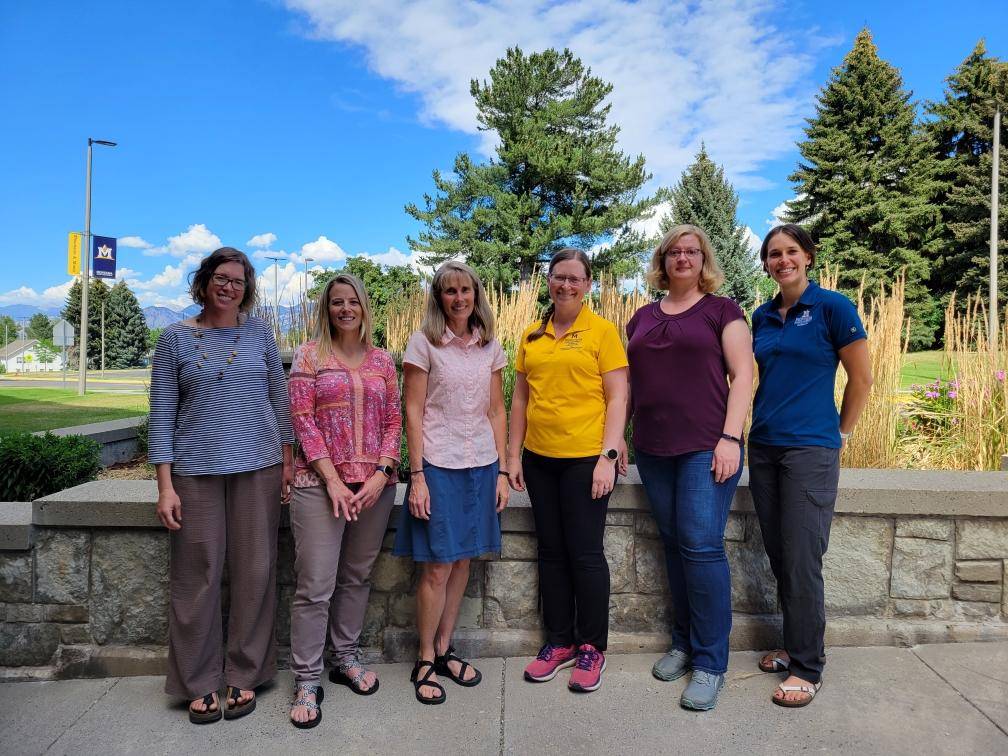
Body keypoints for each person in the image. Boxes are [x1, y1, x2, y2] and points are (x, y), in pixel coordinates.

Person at [150, 246, 294, 724]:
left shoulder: (260, 335)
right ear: (204, 281)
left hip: (259, 467)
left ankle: (245, 674)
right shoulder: (173, 340)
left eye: (238, 280)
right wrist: (165, 487)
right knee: (197, 576)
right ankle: (198, 681)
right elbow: (162, 417)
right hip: (194, 473)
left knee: (255, 571)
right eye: (221, 277)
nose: (229, 286)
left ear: (246, 289)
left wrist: (288, 459)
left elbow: (278, 396)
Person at [625, 225, 754, 711]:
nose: (683, 258)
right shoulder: (640, 317)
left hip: (706, 446)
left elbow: (744, 375)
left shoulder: (722, 311)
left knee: (701, 547)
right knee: (676, 548)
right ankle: (682, 642)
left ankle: (710, 662)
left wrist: (729, 437)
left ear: (703, 260)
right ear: (663, 259)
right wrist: (618, 439)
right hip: (654, 450)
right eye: (674, 251)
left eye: (691, 251)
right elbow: (630, 385)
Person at [749, 224, 872, 708]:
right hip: (764, 448)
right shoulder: (761, 316)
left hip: (810, 452)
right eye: (774, 254)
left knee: (802, 557)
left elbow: (861, 378)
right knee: (781, 555)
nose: (783, 260)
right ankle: (794, 643)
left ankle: (808, 667)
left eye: (791, 251)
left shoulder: (833, 308)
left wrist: (840, 433)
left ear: (808, 257)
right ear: (766, 264)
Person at [509, 248, 628, 694]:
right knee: (552, 552)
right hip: (541, 460)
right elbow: (519, 399)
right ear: (549, 281)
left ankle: (591, 646)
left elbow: (618, 398)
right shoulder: (531, 336)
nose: (566, 285)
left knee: (585, 553)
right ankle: (558, 642)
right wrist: (512, 456)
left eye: (575, 279)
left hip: (586, 460)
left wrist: (609, 457)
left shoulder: (602, 332)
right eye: (559, 278)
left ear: (588, 284)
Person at [286, 273, 401, 728]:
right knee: (315, 585)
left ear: (364, 307)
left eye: (353, 301)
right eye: (337, 302)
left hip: (374, 487)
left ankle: (345, 658)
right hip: (320, 487)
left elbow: (395, 421)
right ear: (326, 309)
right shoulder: (309, 356)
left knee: (356, 577)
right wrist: (333, 481)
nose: (346, 309)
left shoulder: (382, 361)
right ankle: (307, 679)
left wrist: (380, 474)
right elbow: (302, 421)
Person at [392, 261, 509, 705]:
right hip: (438, 465)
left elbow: (497, 410)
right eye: (449, 291)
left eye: (466, 290)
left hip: (480, 463)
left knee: (463, 562)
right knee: (438, 564)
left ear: (476, 295)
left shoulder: (489, 346)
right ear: (438, 297)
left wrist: (502, 469)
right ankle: (424, 656)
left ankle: (445, 647)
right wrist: (417, 475)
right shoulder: (423, 344)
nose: (459, 298)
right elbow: (413, 411)